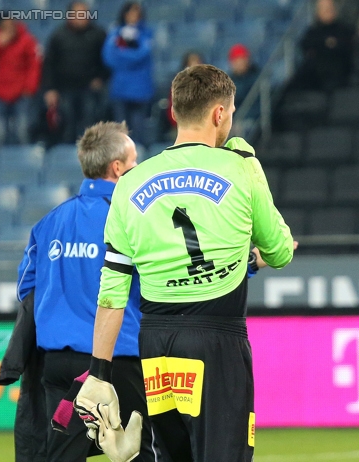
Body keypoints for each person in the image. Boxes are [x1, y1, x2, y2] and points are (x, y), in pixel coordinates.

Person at [74, 64, 294, 462]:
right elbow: (279, 251)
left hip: (155, 341)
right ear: (220, 114)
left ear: (173, 113)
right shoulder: (240, 167)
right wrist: (250, 166)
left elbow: (113, 290)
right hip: (217, 338)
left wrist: (98, 372)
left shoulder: (129, 183)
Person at [15, 121, 156, 461]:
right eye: (134, 163)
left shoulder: (49, 222)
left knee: (63, 457)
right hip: (115, 360)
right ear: (117, 168)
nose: (137, 171)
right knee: (146, 451)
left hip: (58, 365)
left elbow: (26, 289)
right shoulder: (131, 219)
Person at [42, 1, 108, 144]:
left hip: (90, 89)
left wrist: (100, 78)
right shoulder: (58, 36)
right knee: (67, 125)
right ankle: (67, 159)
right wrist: (50, 88)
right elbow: (49, 65)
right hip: (65, 89)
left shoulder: (98, 34)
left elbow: (107, 61)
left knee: (90, 127)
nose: (83, 17)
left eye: (85, 13)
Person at [0, 15, 42, 144]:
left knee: (22, 130)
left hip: (22, 93)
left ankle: (25, 160)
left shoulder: (26, 40)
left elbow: (35, 65)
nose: (10, 28)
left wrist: (30, 87)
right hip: (0, 93)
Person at [103, 2, 154, 146]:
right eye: (130, 13)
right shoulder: (115, 33)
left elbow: (142, 54)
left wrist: (122, 56)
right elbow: (109, 58)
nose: (133, 16)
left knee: (138, 132)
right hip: (120, 89)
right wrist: (130, 57)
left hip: (140, 90)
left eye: (136, 13)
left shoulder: (146, 33)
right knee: (121, 133)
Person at [291, 0, 354, 92]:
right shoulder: (312, 33)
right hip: (317, 78)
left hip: (341, 74)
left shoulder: (345, 31)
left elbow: (348, 48)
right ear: (317, 12)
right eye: (324, 9)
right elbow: (306, 46)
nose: (328, 11)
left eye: (330, 8)